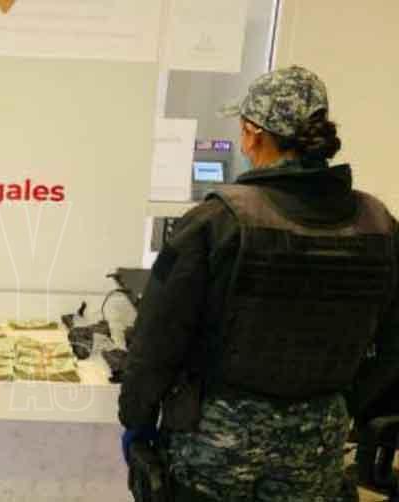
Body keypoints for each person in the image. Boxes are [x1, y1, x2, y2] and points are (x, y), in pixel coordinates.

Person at [118, 65, 399, 501]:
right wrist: (342, 403)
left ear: (253, 135)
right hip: (317, 448)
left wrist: (136, 423)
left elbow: (156, 341)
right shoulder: (379, 225)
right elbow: (394, 343)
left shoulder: (217, 222)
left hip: (215, 449)